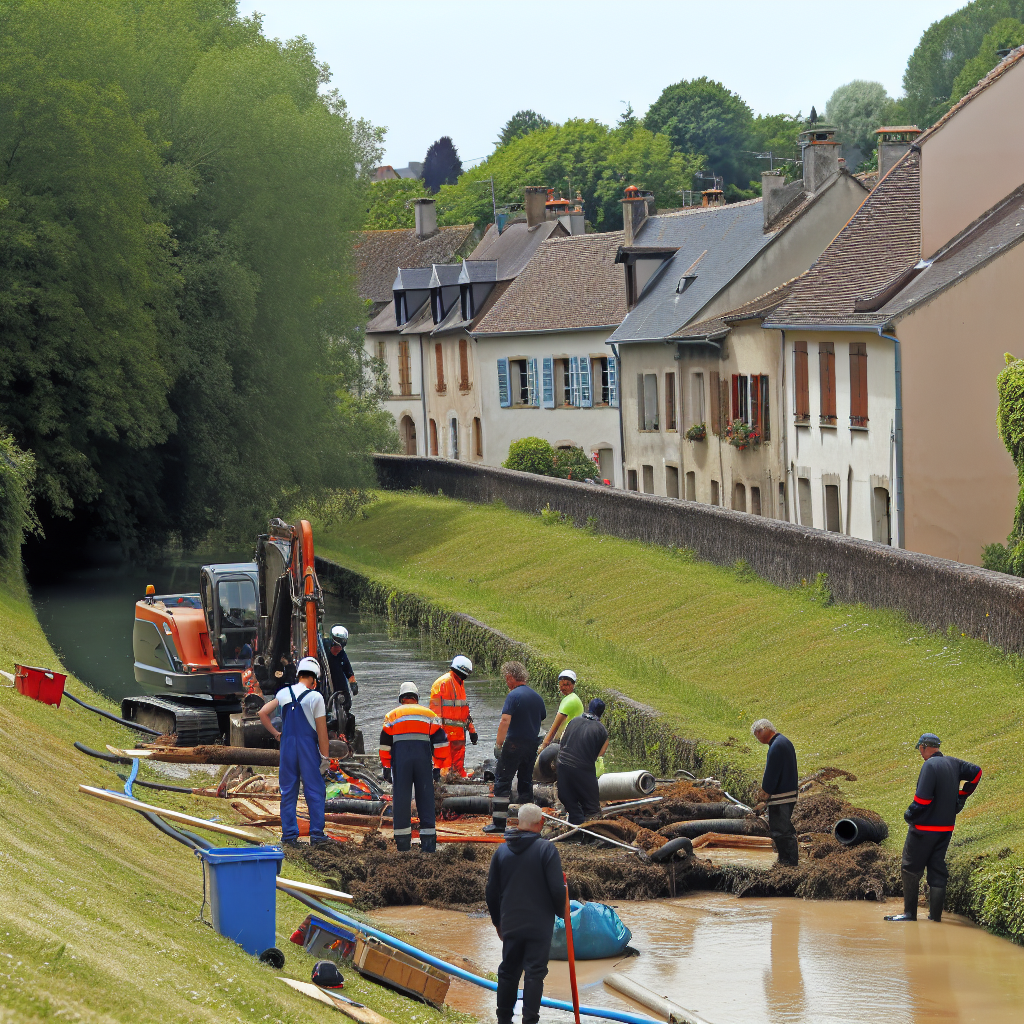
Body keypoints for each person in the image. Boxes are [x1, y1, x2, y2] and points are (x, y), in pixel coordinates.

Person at [884, 733, 982, 923]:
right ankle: (935, 917)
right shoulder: (954, 763)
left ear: (924, 747)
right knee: (937, 868)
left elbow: (923, 800)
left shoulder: (929, 765)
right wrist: (961, 796)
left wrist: (909, 815)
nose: (920, 753)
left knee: (910, 868)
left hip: (923, 829)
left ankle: (909, 914)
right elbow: (977, 772)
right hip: (945, 828)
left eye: (920, 749)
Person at [485, 803, 566, 1024]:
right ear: (540, 823)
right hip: (539, 927)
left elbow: (491, 892)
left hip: (511, 924)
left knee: (508, 972)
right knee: (534, 973)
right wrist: (562, 913)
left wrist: (497, 923)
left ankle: (503, 1019)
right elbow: (558, 889)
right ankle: (530, 1020)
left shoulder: (501, 852)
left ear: (518, 823)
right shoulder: (546, 850)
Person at [258, 656, 331, 849]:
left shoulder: (283, 693)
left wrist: (276, 734)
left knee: (288, 791)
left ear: (299, 675)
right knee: (314, 790)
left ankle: (289, 836)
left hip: (287, 747)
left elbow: (262, 713)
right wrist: (325, 758)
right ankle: (317, 835)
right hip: (307, 748)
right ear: (314, 679)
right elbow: (322, 733)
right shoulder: (316, 697)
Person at [378, 682, 449, 852]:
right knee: (425, 799)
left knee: (401, 800)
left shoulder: (391, 716)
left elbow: (384, 746)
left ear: (401, 698)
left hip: (401, 763)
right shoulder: (430, 715)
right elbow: (441, 744)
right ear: (417, 698)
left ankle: (403, 846)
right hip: (423, 762)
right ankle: (428, 845)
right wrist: (437, 766)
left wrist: (387, 767)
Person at [484, 661, 547, 835]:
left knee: (502, 781)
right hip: (532, 744)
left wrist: (498, 743)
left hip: (513, 743)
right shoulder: (536, 697)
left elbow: (505, 720)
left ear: (511, 677)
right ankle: (528, 823)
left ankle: (498, 823)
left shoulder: (513, 696)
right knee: (525, 782)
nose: (506, 682)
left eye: (506, 678)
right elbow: (542, 716)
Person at [751, 718, 799, 867]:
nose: (757, 738)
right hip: (787, 793)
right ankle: (787, 861)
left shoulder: (776, 746)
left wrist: (764, 795)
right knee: (784, 829)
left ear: (762, 730)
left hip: (781, 797)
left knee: (780, 831)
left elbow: (771, 775)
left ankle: (788, 864)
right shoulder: (783, 742)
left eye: (756, 734)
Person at [556, 698, 610, 825]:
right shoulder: (601, 730)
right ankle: (591, 833)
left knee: (568, 799)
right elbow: (600, 754)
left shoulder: (574, 720)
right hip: (583, 768)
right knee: (592, 808)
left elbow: (562, 741)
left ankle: (576, 823)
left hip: (562, 763)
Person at [429, 655, 478, 778]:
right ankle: (441, 780)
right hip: (445, 732)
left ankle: (459, 776)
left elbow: (464, 710)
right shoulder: (442, 684)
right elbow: (434, 713)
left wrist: (472, 730)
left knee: (458, 762)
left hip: (459, 733)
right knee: (444, 763)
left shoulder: (460, 683)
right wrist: (435, 735)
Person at [539, 670, 584, 750]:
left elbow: (555, 727)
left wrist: (543, 745)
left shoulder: (570, 701)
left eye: (567, 684)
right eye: (561, 684)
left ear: (573, 685)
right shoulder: (573, 698)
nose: (563, 687)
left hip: (568, 743)